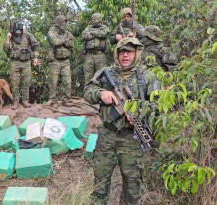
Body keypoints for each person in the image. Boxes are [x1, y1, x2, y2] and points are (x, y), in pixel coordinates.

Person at [84, 38, 160, 205]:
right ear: (117, 53)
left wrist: (141, 110)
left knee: (132, 187)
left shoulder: (148, 76)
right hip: (107, 135)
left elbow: (159, 104)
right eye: (122, 51)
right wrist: (101, 94)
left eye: (129, 51)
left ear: (136, 53)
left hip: (132, 138)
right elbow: (88, 90)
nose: (125, 55)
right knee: (100, 184)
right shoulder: (106, 72)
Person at [4, 19, 39, 109]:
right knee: (15, 83)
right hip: (15, 62)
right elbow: (6, 50)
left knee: (26, 82)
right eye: (17, 32)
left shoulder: (27, 35)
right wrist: (8, 39)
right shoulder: (10, 36)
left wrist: (35, 57)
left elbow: (35, 45)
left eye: (20, 31)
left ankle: (25, 101)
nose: (18, 33)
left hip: (26, 62)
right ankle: (15, 102)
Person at [47, 15, 74, 105]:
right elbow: (55, 42)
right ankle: (52, 99)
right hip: (55, 61)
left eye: (65, 23)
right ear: (58, 22)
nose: (65, 24)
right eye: (63, 22)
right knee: (53, 82)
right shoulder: (51, 31)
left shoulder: (67, 33)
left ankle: (67, 98)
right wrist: (64, 40)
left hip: (66, 61)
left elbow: (71, 43)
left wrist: (62, 41)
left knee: (67, 81)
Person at [82, 12, 110, 85]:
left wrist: (92, 33)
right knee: (88, 75)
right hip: (89, 55)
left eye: (95, 19)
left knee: (102, 74)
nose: (93, 20)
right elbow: (84, 36)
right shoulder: (88, 27)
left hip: (100, 55)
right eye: (92, 19)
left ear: (99, 19)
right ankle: (87, 92)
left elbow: (103, 34)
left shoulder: (104, 28)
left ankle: (102, 93)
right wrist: (96, 33)